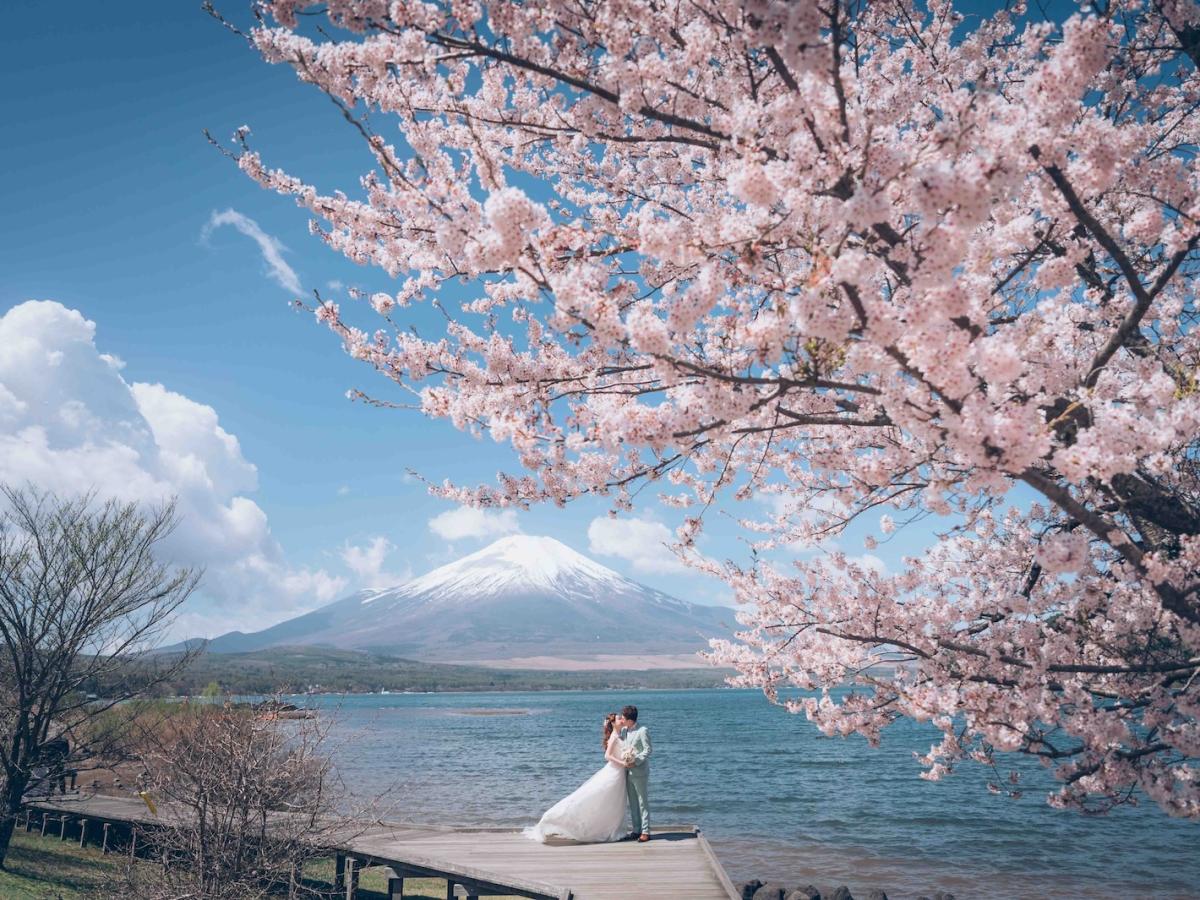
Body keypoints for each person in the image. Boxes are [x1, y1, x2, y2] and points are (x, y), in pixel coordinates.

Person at [524, 712, 629, 843]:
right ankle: (554, 818)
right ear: (613, 723)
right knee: (594, 798)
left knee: (613, 803)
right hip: (614, 773)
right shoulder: (614, 736)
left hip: (619, 774)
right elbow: (607, 756)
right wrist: (623, 763)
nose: (622, 720)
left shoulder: (620, 734)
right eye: (619, 719)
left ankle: (612, 830)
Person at [616, 705, 652, 842]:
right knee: (632, 802)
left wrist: (635, 761)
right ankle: (636, 830)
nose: (622, 720)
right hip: (627, 771)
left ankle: (646, 831)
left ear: (630, 720)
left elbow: (647, 750)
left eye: (624, 718)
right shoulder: (624, 730)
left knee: (643, 802)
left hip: (639, 771)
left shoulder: (643, 731)